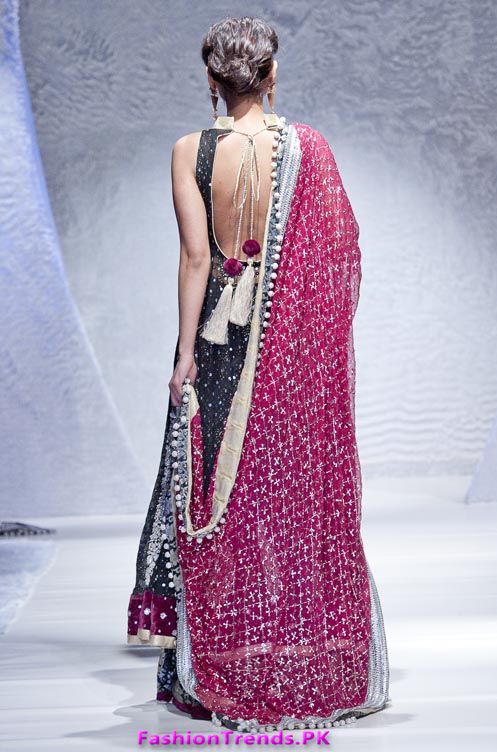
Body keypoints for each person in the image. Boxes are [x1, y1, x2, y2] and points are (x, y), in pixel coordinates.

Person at [126, 15, 390, 732]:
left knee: (214, 493)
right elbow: (340, 253)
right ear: (271, 76)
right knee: (287, 494)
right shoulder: (308, 149)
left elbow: (196, 258)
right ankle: (301, 656)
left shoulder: (189, 151)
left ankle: (217, 659)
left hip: (217, 343)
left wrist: (184, 355)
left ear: (211, 81)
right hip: (285, 347)